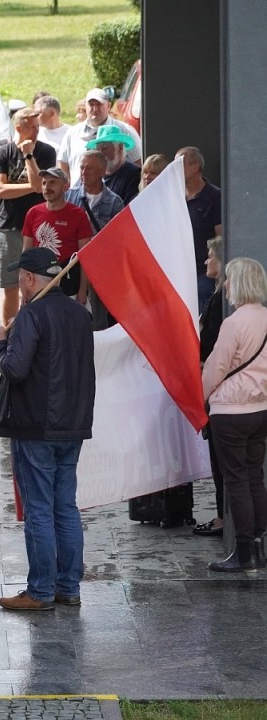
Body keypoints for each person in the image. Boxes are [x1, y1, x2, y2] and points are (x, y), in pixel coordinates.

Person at [0, 247, 95, 611]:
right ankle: (68, 587)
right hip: (72, 424)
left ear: (30, 279)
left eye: (20, 281)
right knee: (65, 506)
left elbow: (16, 369)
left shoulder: (33, 315)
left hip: (36, 425)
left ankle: (41, 590)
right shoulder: (80, 315)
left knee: (39, 507)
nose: (19, 288)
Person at [202, 258, 267, 573]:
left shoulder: (234, 323)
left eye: (229, 279)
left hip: (230, 412)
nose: (225, 285)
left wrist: (201, 397)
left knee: (237, 481)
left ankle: (243, 554)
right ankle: (258, 547)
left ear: (239, 283)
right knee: (255, 477)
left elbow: (217, 367)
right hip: (260, 409)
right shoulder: (265, 318)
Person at [0, 107, 57, 327]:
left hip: (38, 227)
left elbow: (41, 187)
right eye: (31, 127)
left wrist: (29, 155)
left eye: (38, 127)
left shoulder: (46, 152)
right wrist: (33, 187)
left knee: (37, 284)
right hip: (9, 225)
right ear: (18, 127)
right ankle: (9, 336)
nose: (36, 131)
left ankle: (34, 330)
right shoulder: (3, 153)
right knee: (10, 286)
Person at [195, 236, 227, 538]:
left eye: (210, 257)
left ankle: (222, 517)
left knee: (224, 463)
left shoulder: (221, 303)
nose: (206, 261)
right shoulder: (218, 297)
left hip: (220, 391)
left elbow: (214, 351)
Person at [21, 168, 92, 303]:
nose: (47, 187)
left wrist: (83, 291)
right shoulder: (33, 213)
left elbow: (84, 256)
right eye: (44, 183)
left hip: (69, 283)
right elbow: (26, 254)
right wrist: (24, 289)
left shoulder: (78, 215)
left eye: (53, 182)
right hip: (39, 284)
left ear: (65, 186)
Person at [56, 88, 141, 178]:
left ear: (108, 106)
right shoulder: (72, 133)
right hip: (79, 190)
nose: (95, 109)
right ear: (85, 106)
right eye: (91, 105)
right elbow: (63, 165)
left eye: (99, 105)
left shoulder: (125, 130)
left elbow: (138, 163)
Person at [180, 147, 223, 310]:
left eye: (180, 164)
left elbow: (221, 237)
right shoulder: (176, 196)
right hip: (180, 269)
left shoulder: (215, 197)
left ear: (195, 166)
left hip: (204, 271)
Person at [87, 125, 141, 205]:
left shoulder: (134, 175)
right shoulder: (95, 174)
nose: (101, 153)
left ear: (120, 148)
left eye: (105, 148)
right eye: (98, 149)